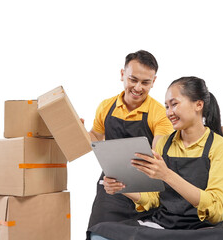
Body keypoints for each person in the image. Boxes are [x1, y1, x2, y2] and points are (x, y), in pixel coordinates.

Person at [89, 77, 223, 240]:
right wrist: (122, 188)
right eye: (166, 106)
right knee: (99, 233)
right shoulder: (164, 143)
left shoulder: (220, 147)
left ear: (198, 105)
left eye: (174, 104)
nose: (169, 112)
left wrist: (167, 175)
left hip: (202, 230)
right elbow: (154, 199)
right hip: (162, 226)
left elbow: (217, 210)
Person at [86, 50, 174, 238]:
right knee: (99, 233)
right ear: (122, 75)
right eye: (133, 79)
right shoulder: (106, 106)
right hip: (111, 185)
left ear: (154, 81)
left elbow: (158, 153)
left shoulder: (159, 113)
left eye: (145, 82)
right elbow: (96, 135)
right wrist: (81, 134)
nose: (138, 87)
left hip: (145, 187)